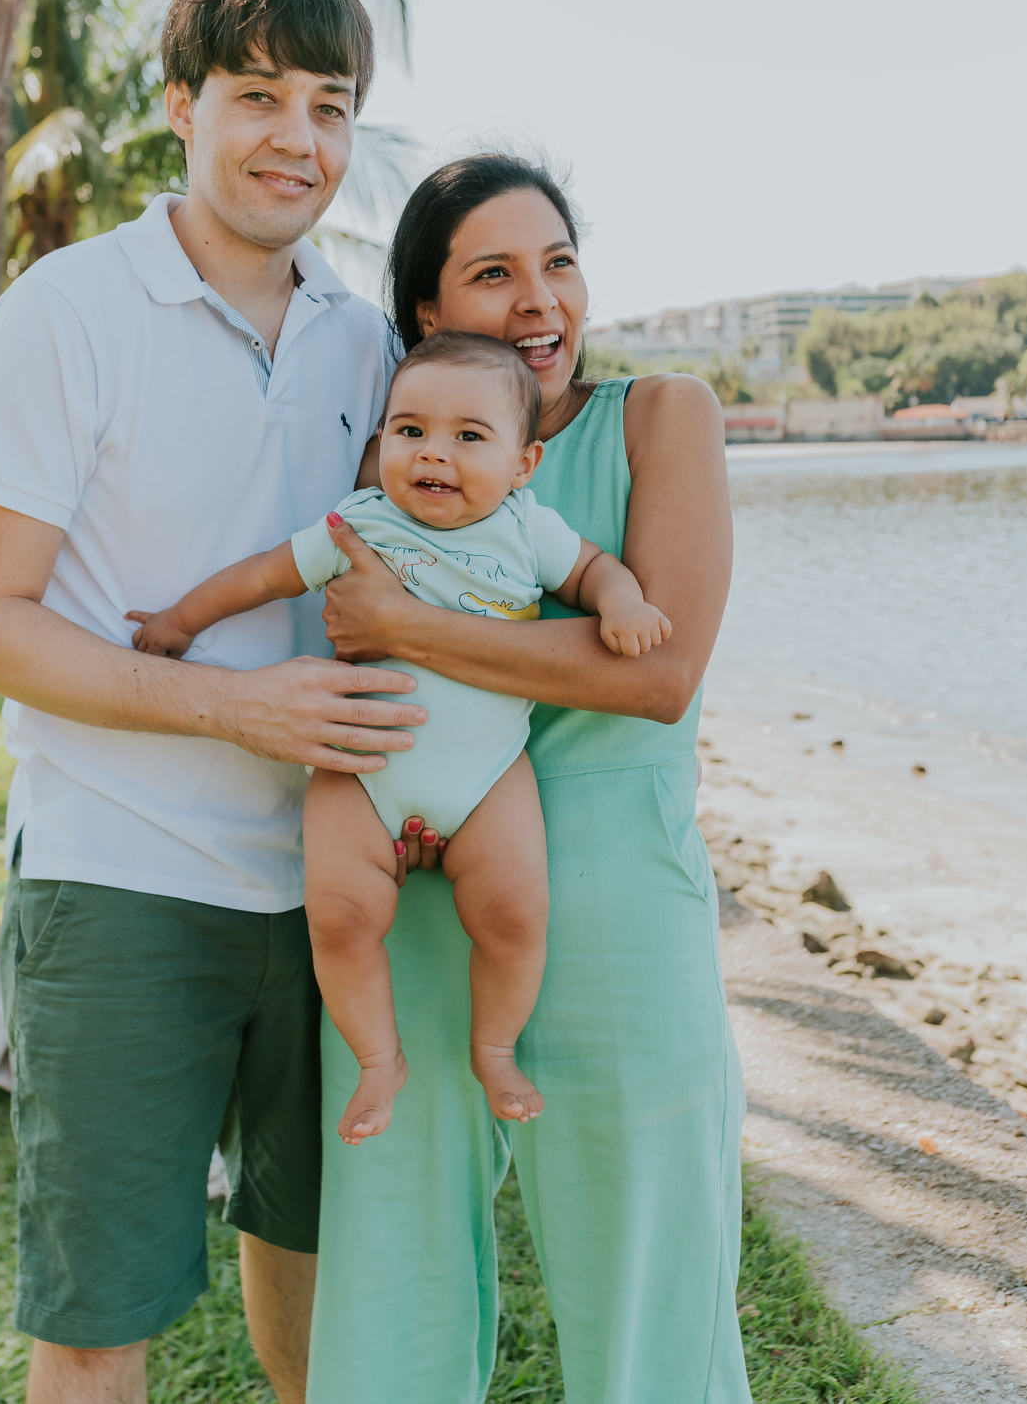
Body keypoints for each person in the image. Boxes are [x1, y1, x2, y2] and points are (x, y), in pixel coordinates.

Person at [0, 0, 428, 1404]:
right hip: (119, 879)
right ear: (180, 108)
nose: (299, 136)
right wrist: (234, 703)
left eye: (331, 105)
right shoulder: (66, 310)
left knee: (326, 1274)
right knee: (99, 1316)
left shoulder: (367, 338)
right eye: (259, 94)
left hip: (335, 889)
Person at [304, 154, 752, 1403]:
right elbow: (333, 632)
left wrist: (409, 627)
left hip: (618, 910)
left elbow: (654, 668)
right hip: (418, 904)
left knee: (648, 1311)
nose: (540, 300)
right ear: (426, 318)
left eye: (558, 261)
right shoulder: (400, 459)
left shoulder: (664, 414)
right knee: (392, 1291)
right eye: (494, 274)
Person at [128, 330, 671, 1145]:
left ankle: (495, 1047)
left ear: (523, 465)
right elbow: (263, 573)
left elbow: (593, 571)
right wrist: (179, 620)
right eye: (409, 431)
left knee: (517, 915)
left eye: (468, 436)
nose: (434, 454)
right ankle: (379, 1060)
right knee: (341, 921)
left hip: (488, 778)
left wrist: (622, 604)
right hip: (361, 770)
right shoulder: (360, 524)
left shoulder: (529, 527)